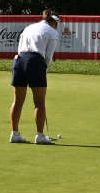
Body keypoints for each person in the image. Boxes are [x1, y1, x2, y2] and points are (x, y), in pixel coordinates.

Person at [8, 9, 62, 145]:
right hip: (35, 61)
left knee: (18, 101)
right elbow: (48, 57)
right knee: (39, 102)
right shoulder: (53, 32)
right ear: (54, 22)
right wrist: (44, 69)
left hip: (19, 60)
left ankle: (15, 134)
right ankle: (40, 135)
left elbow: (20, 47)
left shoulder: (29, 27)